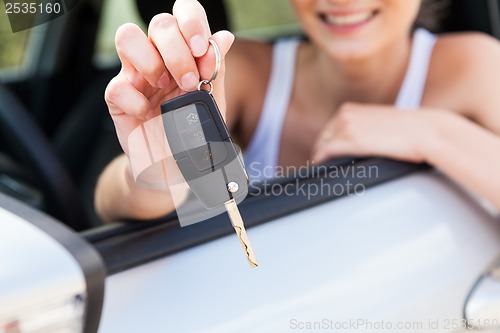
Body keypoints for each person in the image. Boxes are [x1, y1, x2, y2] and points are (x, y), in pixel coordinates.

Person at [95, 0, 500, 223]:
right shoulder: (239, 70)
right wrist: (156, 175)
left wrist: (432, 133)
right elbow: (110, 203)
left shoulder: (477, 67)